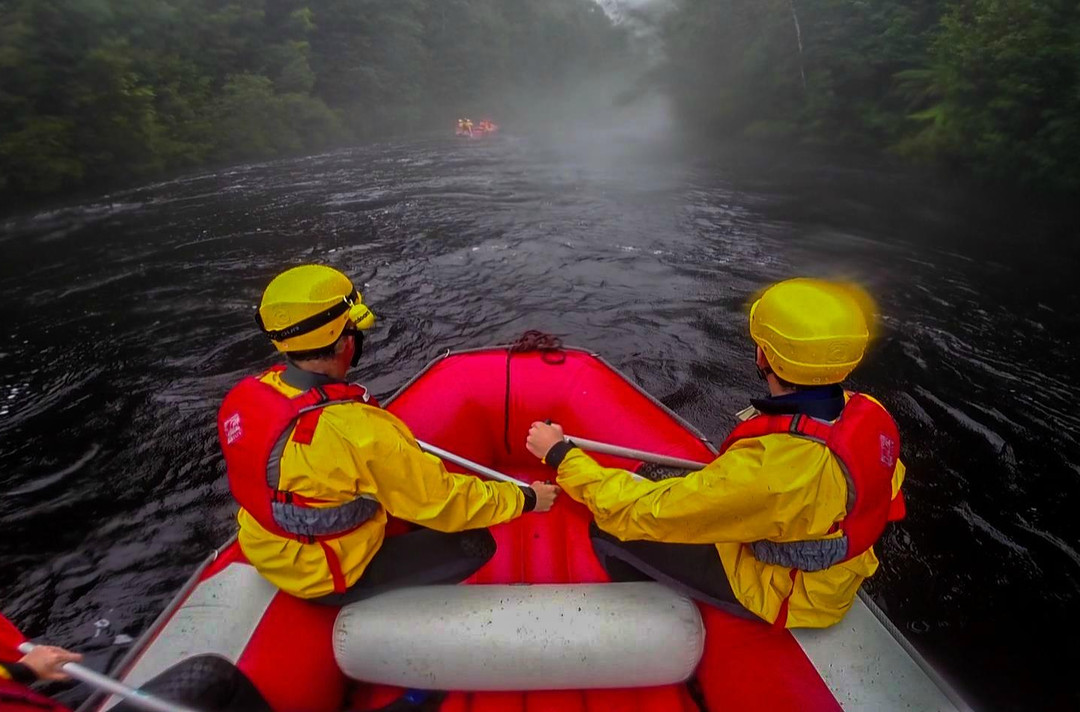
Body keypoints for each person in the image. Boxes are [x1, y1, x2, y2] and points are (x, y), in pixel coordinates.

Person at [525, 278, 906, 629]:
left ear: (763, 356)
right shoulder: (868, 410)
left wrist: (561, 455)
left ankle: (640, 621)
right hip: (828, 575)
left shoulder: (769, 471)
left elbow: (639, 513)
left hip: (786, 593)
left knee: (607, 527)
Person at [218, 264, 557, 605]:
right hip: (322, 572)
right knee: (474, 544)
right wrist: (526, 498)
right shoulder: (361, 433)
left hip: (269, 546)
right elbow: (444, 502)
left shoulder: (250, 395)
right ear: (344, 342)